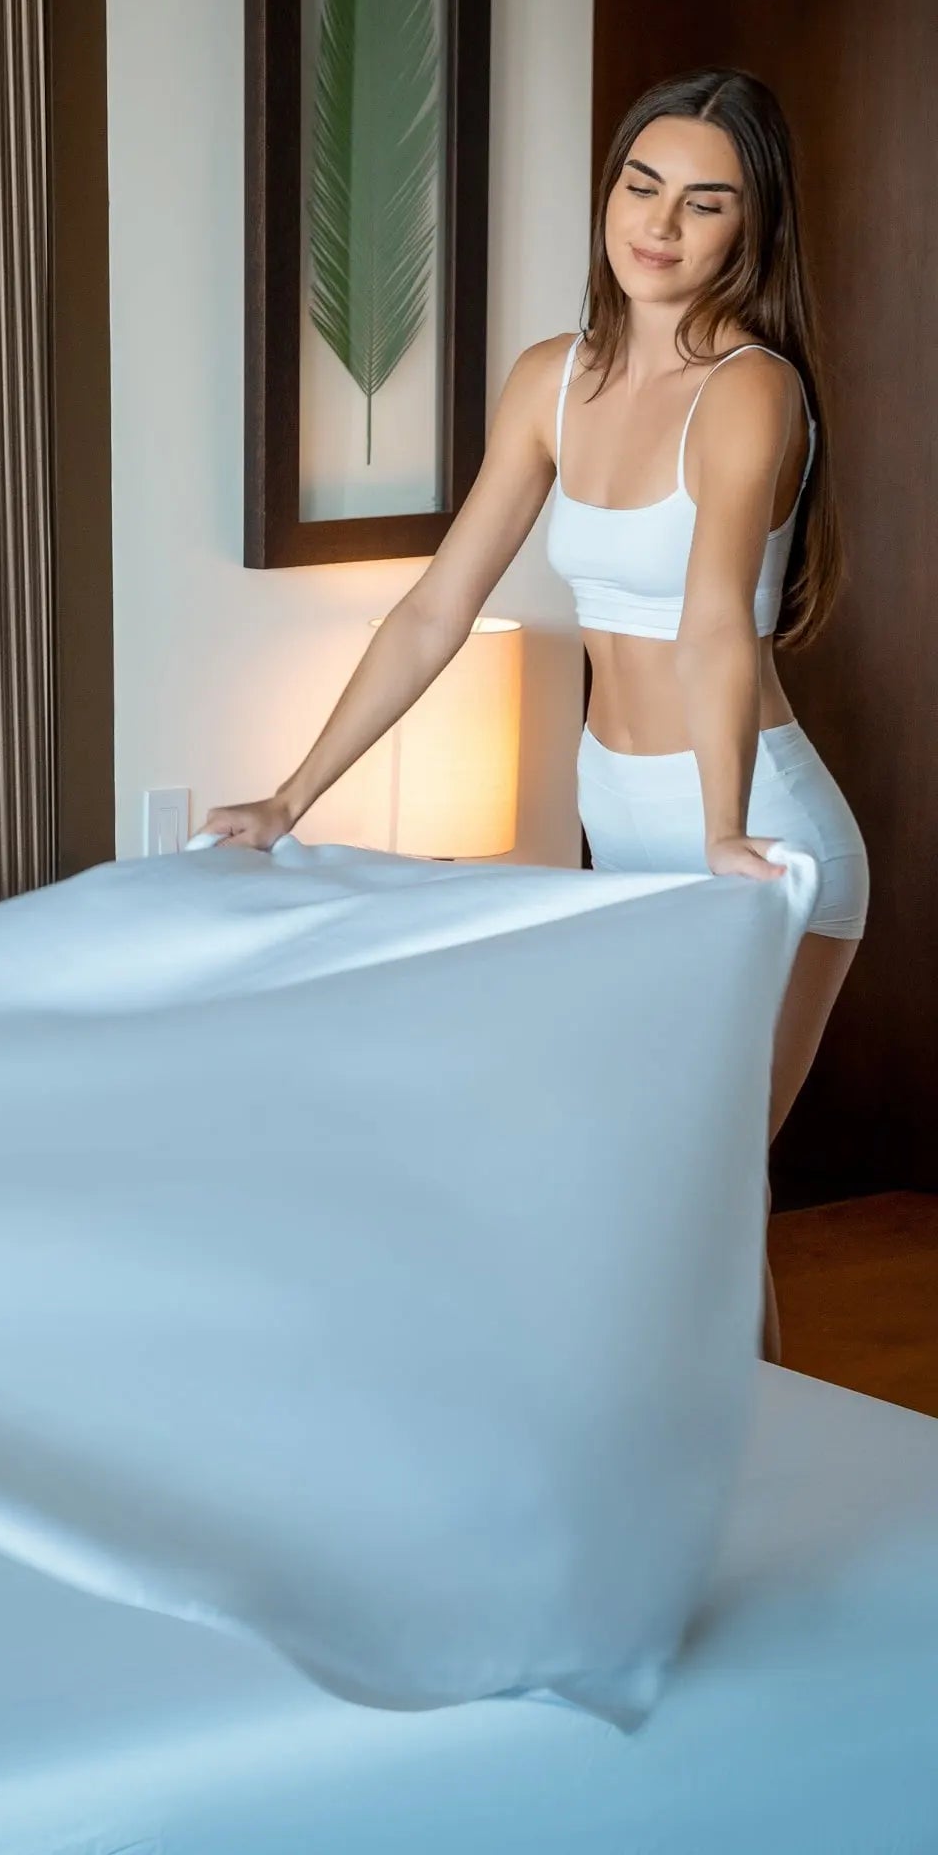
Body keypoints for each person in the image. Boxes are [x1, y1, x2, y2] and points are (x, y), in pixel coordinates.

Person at [202, 70, 866, 1356]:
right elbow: (432, 609)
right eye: (641, 185)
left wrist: (722, 828)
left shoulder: (750, 390)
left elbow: (715, 620)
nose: (659, 224)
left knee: (692, 1192)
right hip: (618, 821)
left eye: (704, 203)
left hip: (756, 834)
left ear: (750, 230)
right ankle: (745, 1473)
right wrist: (289, 796)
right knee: (686, 1196)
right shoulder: (548, 379)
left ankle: (749, 1480)